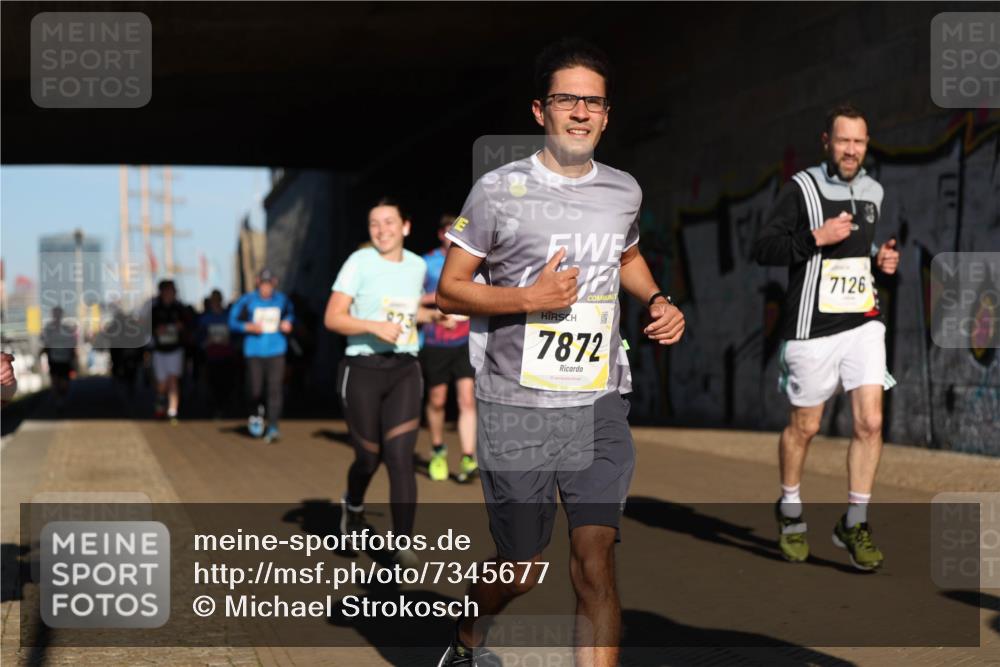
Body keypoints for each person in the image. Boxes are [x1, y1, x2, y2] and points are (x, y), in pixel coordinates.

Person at [435, 39, 685, 667]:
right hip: (516, 408)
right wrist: (529, 297)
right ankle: (467, 636)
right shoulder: (497, 190)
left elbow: (626, 255)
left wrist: (658, 299)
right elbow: (450, 290)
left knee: (595, 560)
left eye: (592, 102)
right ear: (539, 110)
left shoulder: (623, 191)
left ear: (607, 115)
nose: (580, 112)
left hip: (598, 402)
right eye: (567, 99)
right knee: (520, 569)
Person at [753, 102, 900, 571]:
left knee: (870, 423)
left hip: (863, 322)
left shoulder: (874, 191)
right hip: (811, 327)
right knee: (806, 426)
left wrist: (880, 261)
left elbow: (862, 249)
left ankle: (855, 522)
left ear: (866, 144)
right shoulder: (801, 188)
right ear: (827, 142)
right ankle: (790, 509)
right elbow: (763, 248)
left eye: (859, 141)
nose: (851, 150)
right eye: (843, 141)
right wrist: (814, 237)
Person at [324, 197, 444, 569]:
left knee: (400, 457)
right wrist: (373, 326)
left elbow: (405, 310)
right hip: (362, 369)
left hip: (405, 368)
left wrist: (432, 316)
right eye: (374, 223)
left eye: (389, 222)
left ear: (405, 226)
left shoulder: (417, 265)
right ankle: (353, 505)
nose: (381, 230)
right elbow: (333, 317)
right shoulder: (359, 262)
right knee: (368, 458)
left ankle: (403, 543)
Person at [421, 214, 479, 483]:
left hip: (465, 339)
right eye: (448, 231)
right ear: (440, 234)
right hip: (436, 341)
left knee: (467, 399)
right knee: (437, 400)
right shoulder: (426, 262)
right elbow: (409, 300)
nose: (453, 236)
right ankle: (437, 450)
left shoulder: (475, 259)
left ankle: (468, 457)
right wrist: (440, 300)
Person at [229, 270, 294, 443]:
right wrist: (247, 327)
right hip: (254, 351)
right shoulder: (247, 300)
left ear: (274, 284)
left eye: (269, 285)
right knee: (255, 389)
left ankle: (273, 426)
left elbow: (291, 315)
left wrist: (288, 323)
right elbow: (232, 321)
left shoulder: (282, 300)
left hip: (276, 350)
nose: (266, 288)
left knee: (274, 389)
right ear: (258, 283)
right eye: (263, 285)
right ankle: (255, 414)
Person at [150, 280, 190, 423]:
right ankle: (161, 399)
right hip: (160, 350)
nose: (170, 293)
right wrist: (156, 330)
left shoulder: (180, 309)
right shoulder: (155, 309)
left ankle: (173, 411)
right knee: (162, 383)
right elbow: (146, 328)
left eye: (172, 291)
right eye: (168, 290)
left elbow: (189, 325)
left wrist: (181, 327)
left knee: (173, 379)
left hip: (175, 349)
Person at [198, 289, 237, 418]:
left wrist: (230, 342)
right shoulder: (205, 319)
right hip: (212, 356)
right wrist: (206, 342)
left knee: (227, 383)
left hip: (227, 355)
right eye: (213, 300)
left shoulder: (228, 317)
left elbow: (236, 335)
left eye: (217, 300)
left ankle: (225, 407)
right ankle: (216, 408)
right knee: (213, 384)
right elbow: (198, 337)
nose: (215, 303)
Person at [41, 306, 77, 409]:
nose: (56, 316)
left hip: (65, 358)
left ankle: (62, 398)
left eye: (58, 314)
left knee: (65, 383)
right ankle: (58, 400)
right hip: (53, 358)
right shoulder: (48, 328)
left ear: (61, 315)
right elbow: (44, 341)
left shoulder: (67, 329)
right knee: (55, 380)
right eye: (55, 314)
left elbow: (72, 343)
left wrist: (73, 354)